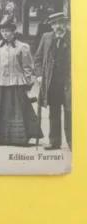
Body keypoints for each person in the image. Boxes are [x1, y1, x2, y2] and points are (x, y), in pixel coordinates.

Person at [0, 16, 43, 146]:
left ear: (13, 31)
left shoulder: (22, 47)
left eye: (7, 31)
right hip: (0, 83)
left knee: (18, 110)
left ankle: (19, 138)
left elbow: (28, 68)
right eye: (2, 31)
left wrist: (27, 84)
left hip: (17, 84)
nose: (4, 33)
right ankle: (0, 138)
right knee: (0, 109)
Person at [34, 12, 71, 151]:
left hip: (69, 83)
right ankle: (54, 142)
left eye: (61, 22)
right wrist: (39, 75)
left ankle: (72, 142)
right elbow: (37, 59)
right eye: (55, 24)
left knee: (70, 112)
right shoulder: (46, 37)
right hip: (52, 82)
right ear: (51, 26)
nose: (58, 26)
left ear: (66, 23)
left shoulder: (75, 37)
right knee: (54, 113)